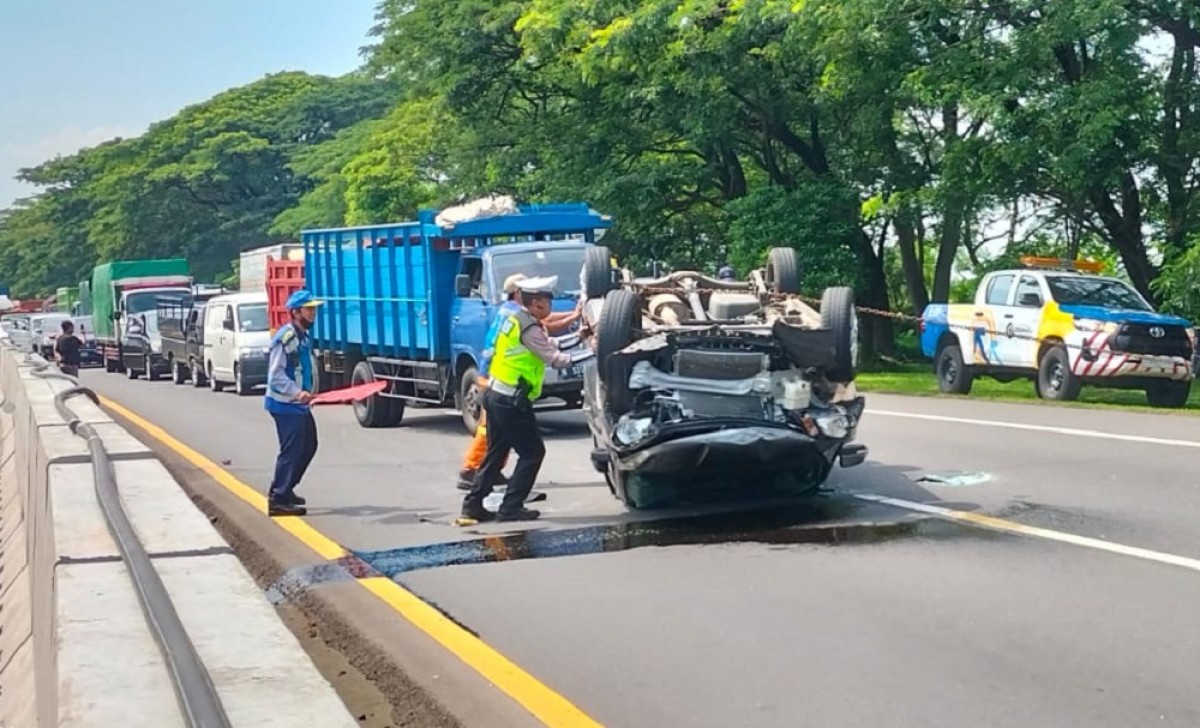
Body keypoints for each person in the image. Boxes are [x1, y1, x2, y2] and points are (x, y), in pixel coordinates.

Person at [462, 276, 595, 522]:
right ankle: (511, 507)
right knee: (533, 453)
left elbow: (547, 344)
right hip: (510, 401)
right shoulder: (529, 327)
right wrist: (592, 352)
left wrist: (579, 336)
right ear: (536, 303)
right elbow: (555, 358)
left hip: (496, 394)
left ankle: (473, 505)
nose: (551, 305)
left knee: (495, 452)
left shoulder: (517, 320)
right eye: (548, 300)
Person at [264, 290, 323, 517]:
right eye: (309, 309)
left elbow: (301, 370)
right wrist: (297, 393)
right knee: (292, 451)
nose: (313, 313)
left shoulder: (302, 336)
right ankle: (278, 497)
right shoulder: (286, 337)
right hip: (285, 404)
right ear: (296, 312)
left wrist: (306, 395)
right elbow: (276, 374)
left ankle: (286, 489)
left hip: (298, 404)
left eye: (314, 309)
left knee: (309, 446)